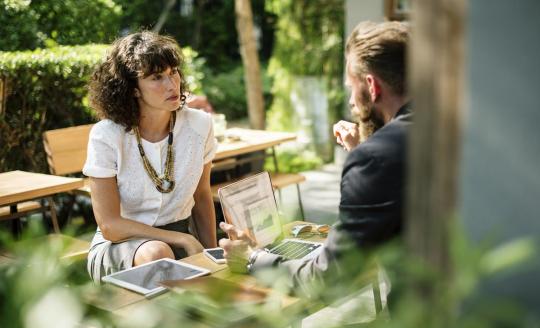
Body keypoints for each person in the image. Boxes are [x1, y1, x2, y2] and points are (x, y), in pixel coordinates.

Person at [219, 21, 411, 286]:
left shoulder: (375, 159)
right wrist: (364, 150)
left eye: (351, 88)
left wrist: (252, 259)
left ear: (372, 86)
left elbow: (328, 278)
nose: (352, 103)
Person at [84, 31, 217, 283]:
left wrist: (212, 255)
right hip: (122, 246)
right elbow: (110, 225)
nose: (172, 84)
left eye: (173, 72)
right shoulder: (107, 135)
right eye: (157, 77)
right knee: (158, 254)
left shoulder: (200, 125)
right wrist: (182, 239)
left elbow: (201, 196)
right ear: (133, 89)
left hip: (184, 238)